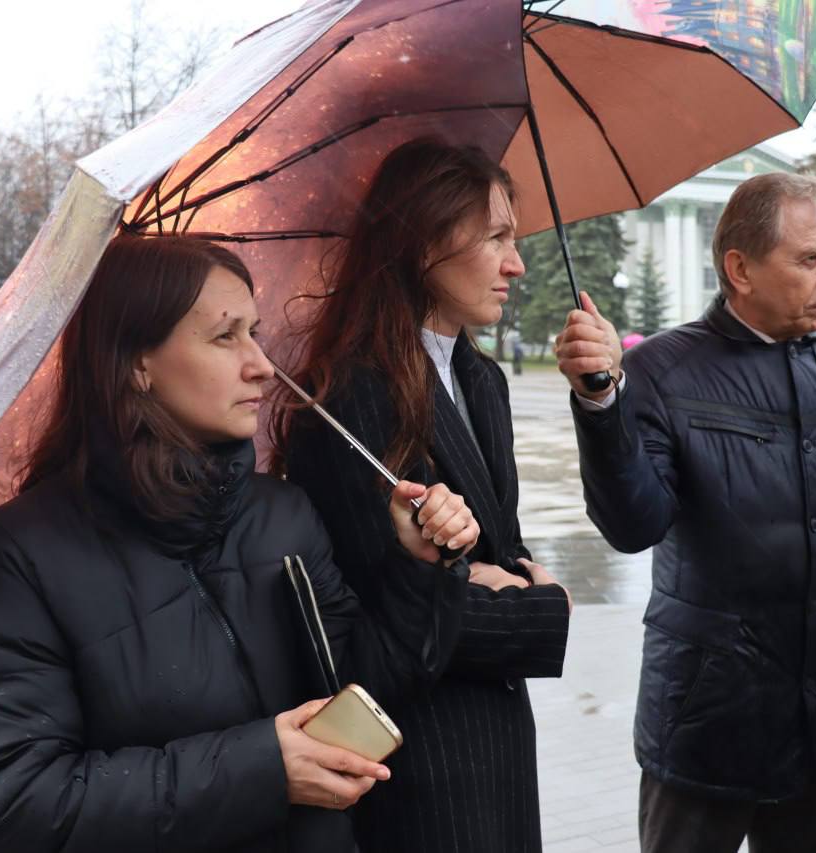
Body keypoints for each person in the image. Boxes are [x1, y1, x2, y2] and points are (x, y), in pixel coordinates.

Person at [0, 235, 481, 853]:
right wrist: (263, 770)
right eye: (226, 336)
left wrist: (418, 568)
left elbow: (359, 689)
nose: (262, 364)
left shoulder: (282, 514)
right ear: (137, 363)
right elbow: (13, 808)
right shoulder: (18, 557)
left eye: (254, 333)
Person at [554, 172, 816, 853]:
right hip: (706, 722)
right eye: (811, 258)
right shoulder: (663, 371)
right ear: (740, 269)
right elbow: (633, 526)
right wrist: (602, 404)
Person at [273, 138, 572, 853]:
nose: (516, 264)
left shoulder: (482, 379)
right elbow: (391, 612)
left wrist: (496, 577)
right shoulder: (353, 397)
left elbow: (503, 550)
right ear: (424, 242)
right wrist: (545, 608)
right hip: (422, 758)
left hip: (500, 739)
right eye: (495, 237)